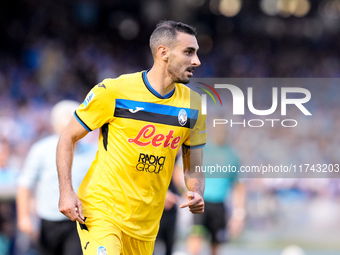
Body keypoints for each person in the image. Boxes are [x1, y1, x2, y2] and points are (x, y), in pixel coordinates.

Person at [57, 20, 207, 255]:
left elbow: (193, 164)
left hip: (145, 224)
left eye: (196, 53)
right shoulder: (114, 91)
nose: (196, 61)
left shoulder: (194, 104)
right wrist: (66, 191)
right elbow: (67, 137)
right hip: (102, 209)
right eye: (189, 52)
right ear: (163, 52)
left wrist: (197, 191)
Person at [16, 100, 97, 255]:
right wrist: (23, 217)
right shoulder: (41, 150)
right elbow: (25, 183)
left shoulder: (92, 152)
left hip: (80, 221)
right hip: (48, 220)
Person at [187, 124, 246, 255]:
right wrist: (185, 191)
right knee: (196, 238)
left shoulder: (232, 156)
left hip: (219, 205)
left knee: (216, 244)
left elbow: (238, 186)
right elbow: (183, 169)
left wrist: (239, 214)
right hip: (201, 201)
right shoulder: (203, 150)